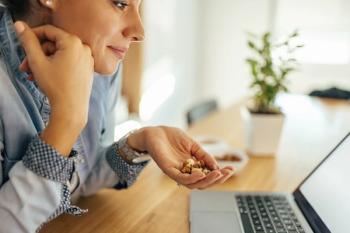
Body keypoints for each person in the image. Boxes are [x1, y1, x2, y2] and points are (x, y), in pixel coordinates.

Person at [0, 0, 234, 232]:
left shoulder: (98, 59)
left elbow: (82, 178)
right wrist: (66, 120)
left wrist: (139, 144)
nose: (139, 32)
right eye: (120, 4)